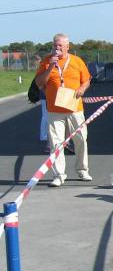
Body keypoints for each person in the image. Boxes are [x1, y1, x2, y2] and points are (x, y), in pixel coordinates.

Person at [35, 33, 92, 187]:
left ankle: (82, 170)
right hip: (54, 110)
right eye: (55, 45)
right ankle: (59, 175)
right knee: (56, 143)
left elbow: (87, 80)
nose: (57, 48)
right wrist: (51, 66)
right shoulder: (46, 61)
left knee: (81, 139)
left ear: (67, 46)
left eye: (60, 45)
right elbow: (39, 83)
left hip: (75, 108)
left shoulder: (77, 61)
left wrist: (82, 88)